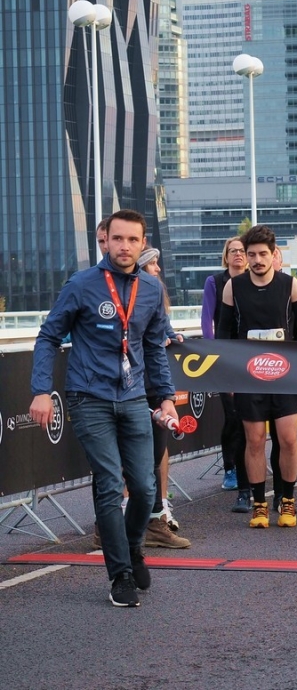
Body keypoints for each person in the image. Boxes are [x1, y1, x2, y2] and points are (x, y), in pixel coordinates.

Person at [31, 209, 176, 607]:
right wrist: (41, 390)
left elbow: (154, 347)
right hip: (88, 397)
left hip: (134, 398)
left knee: (145, 488)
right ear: (105, 241)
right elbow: (48, 337)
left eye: (132, 240)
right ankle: (120, 574)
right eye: (118, 239)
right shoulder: (81, 284)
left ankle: (131, 546)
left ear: (143, 244)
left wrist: (166, 396)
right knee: (110, 483)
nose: (124, 246)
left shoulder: (151, 289)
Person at [216, 225, 297, 528]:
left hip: (285, 375)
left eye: (262, 254)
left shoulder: (290, 284)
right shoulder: (233, 287)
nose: (257, 260)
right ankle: (259, 504)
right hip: (248, 376)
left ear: (273, 255)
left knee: (288, 439)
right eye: (252, 255)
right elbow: (223, 335)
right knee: (255, 440)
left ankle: (287, 500)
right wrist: (229, 377)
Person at [136, 248, 192, 549]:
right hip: (125, 389)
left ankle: (155, 519)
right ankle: (112, 527)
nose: (157, 269)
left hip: (153, 388)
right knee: (128, 462)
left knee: (155, 456)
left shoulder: (154, 294)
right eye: (152, 264)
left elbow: (160, 338)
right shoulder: (107, 292)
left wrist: (172, 336)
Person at [201, 236, 249, 503]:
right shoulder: (214, 282)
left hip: (251, 356)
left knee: (249, 416)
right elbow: (206, 319)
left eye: (242, 251)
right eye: (233, 251)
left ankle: (248, 467)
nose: (238, 255)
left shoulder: (254, 281)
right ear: (226, 256)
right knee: (232, 415)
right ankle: (230, 468)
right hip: (224, 356)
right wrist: (214, 353)